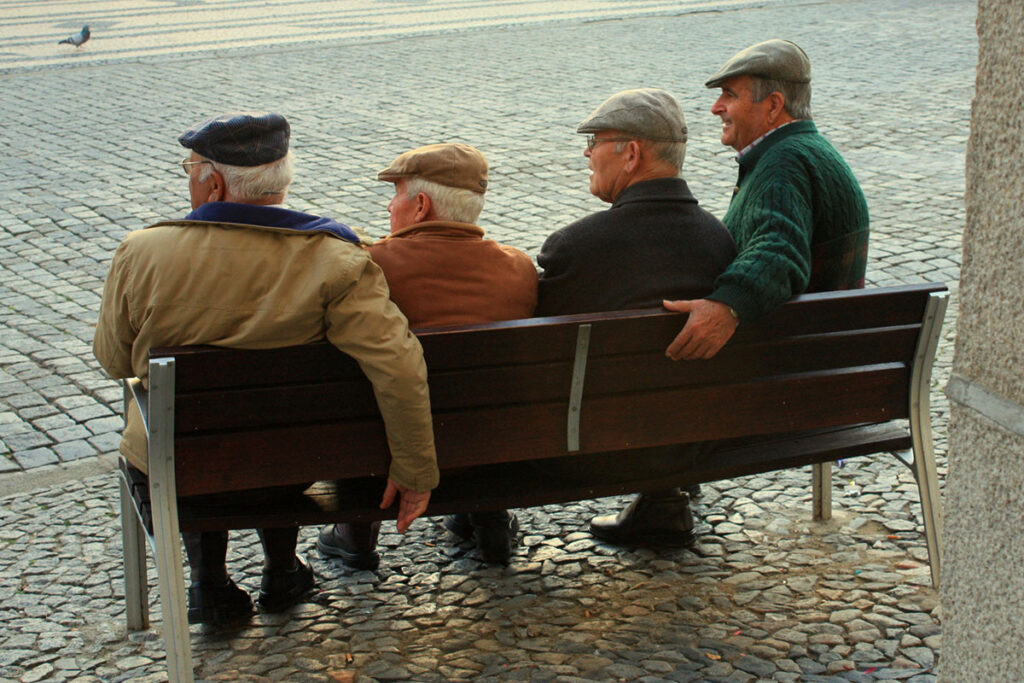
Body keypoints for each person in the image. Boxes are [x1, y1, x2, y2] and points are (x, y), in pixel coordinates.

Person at [93, 112, 439, 625]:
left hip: (176, 467)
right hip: (288, 468)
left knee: (182, 434)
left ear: (212, 181)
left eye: (189, 167)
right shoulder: (334, 257)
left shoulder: (142, 252)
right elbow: (398, 364)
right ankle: (282, 569)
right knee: (268, 439)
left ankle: (209, 582)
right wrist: (416, 470)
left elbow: (114, 360)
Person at [317, 143, 537, 566]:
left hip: (380, 451)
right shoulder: (519, 268)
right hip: (490, 446)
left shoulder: (368, 266)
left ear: (420, 205)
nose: (388, 205)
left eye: (396, 193)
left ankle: (357, 534)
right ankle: (489, 517)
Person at [536, 88, 736, 546]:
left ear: (630, 154)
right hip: (700, 442)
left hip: (593, 450)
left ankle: (481, 521)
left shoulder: (575, 247)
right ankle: (664, 500)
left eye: (595, 143)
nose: (587, 154)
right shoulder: (720, 242)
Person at [664, 39, 870, 361]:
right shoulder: (809, 152)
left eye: (729, 95)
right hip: (826, 355)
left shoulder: (784, 162)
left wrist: (727, 305)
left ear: (774, 105)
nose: (716, 107)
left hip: (795, 364)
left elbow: (779, 248)